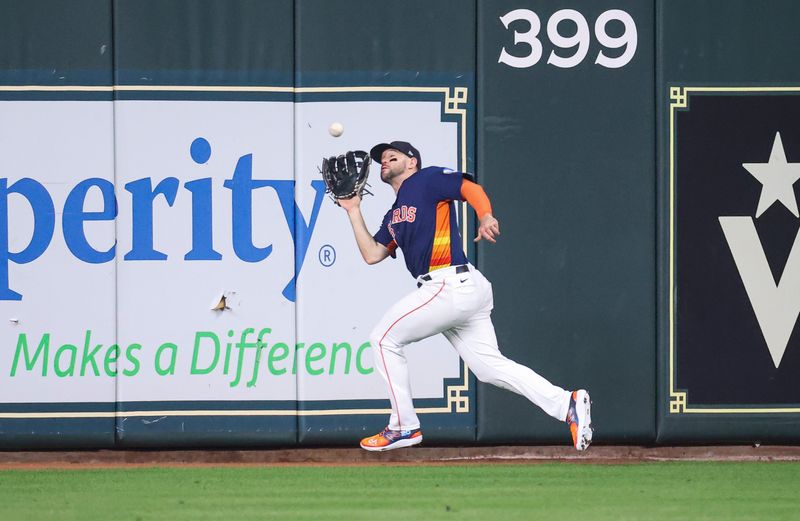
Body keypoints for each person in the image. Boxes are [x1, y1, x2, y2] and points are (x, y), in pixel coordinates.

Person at [336, 140, 592, 452]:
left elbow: (468, 187)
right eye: (382, 159)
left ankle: (403, 426)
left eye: (394, 156)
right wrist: (353, 210)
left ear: (412, 162)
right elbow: (372, 254)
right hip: (458, 289)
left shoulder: (426, 180)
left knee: (383, 339)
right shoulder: (393, 216)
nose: (385, 161)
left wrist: (485, 216)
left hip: (449, 282)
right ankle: (567, 403)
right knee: (488, 367)